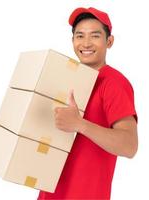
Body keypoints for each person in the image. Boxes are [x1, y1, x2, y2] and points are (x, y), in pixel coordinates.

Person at [38, 7, 138, 199]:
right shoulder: (66, 78)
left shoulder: (114, 83)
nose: (86, 43)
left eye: (95, 36)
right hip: (50, 193)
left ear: (109, 41)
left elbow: (129, 145)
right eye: (79, 36)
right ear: (72, 41)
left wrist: (79, 124)